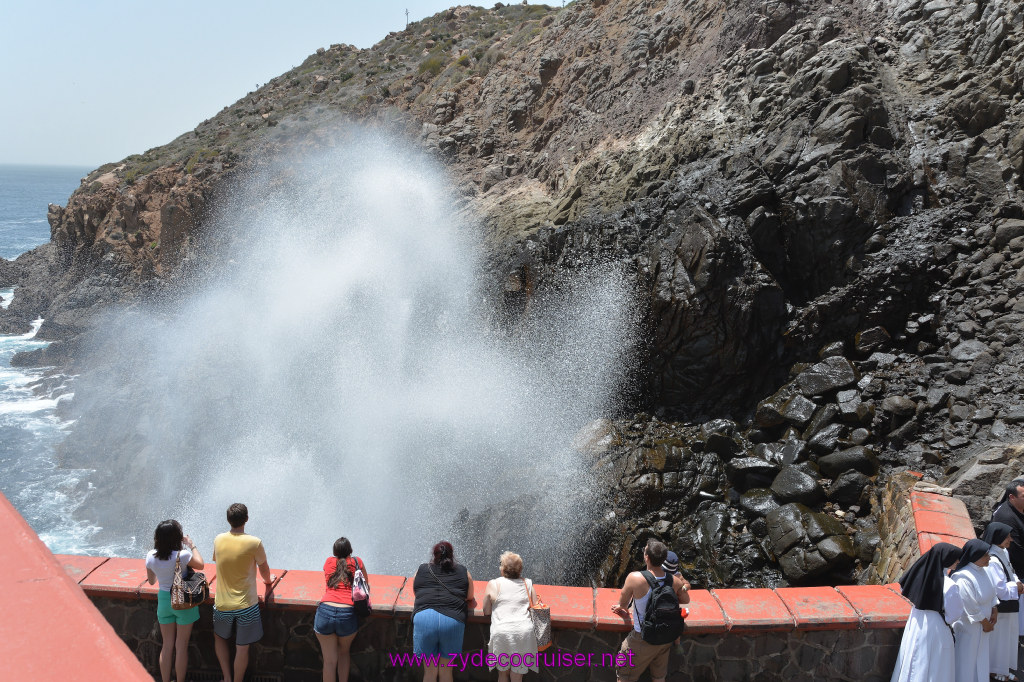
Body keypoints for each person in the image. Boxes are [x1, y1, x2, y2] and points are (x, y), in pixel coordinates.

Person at [212, 503, 276, 682]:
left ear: (228, 519)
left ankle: (226, 677)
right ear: (246, 519)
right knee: (242, 648)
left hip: (222, 604)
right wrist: (269, 581)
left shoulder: (218, 539)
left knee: (219, 639)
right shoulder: (254, 543)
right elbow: (264, 570)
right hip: (247, 605)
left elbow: (220, 561)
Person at [610, 539, 687, 682]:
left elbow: (623, 601)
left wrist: (622, 607)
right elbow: (686, 600)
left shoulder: (635, 578)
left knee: (624, 676)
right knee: (658, 678)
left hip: (641, 639)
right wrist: (681, 587)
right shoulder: (674, 581)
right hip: (665, 638)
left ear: (647, 557)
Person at [889, 542, 963, 682]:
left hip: (916, 621)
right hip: (936, 626)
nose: (958, 561)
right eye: (955, 558)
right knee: (934, 664)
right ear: (946, 559)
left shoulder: (919, 576)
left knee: (912, 657)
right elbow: (955, 614)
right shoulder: (950, 586)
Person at [145, 520, 205, 682]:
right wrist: (191, 545)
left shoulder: (150, 556)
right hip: (183, 600)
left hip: (164, 601)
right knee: (181, 646)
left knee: (167, 645)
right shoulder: (182, 555)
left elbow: (151, 581)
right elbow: (201, 564)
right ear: (177, 538)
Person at [412, 541, 474, 682]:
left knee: (429, 672)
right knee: (446, 672)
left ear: (434, 555)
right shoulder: (464, 571)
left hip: (424, 618)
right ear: (452, 555)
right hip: (452, 620)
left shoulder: (421, 570)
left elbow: (416, 592)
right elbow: (469, 596)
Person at [314, 537, 368, 682]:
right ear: (351, 550)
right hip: (347, 613)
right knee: (344, 653)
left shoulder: (328, 562)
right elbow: (365, 586)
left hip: (325, 611)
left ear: (334, 552)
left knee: (329, 662)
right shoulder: (357, 562)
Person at [481, 551, 539, 681]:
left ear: (503, 568)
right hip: (524, 632)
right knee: (517, 675)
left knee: (503, 673)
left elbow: (486, 611)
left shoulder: (493, 584)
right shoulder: (528, 583)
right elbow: (535, 607)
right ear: (520, 569)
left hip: (502, 632)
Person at [950, 539, 998, 682]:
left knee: (981, 656)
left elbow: (992, 591)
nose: (989, 557)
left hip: (984, 626)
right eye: (986, 555)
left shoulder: (984, 571)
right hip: (970, 628)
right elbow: (970, 605)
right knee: (967, 660)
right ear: (975, 556)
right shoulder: (962, 577)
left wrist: (994, 609)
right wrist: (985, 623)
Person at [982, 523, 1023, 681]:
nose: (1010, 540)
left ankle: (1002, 669)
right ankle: (996, 671)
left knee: (1008, 639)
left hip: (1011, 605)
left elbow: (1011, 572)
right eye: (1007, 537)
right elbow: (999, 589)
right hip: (1003, 608)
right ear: (998, 537)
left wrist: (1018, 583)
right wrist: (1017, 586)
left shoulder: (1003, 552)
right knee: (1000, 641)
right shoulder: (992, 559)